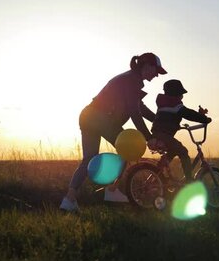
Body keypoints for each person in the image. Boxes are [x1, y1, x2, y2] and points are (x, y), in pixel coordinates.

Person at [60, 52, 167, 212]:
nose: (156, 75)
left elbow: (140, 108)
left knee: (88, 159)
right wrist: (149, 137)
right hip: (100, 118)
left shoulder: (130, 79)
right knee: (130, 148)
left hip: (87, 116)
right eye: (156, 70)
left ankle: (69, 199)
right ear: (146, 65)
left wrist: (158, 120)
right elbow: (134, 111)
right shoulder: (132, 80)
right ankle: (112, 190)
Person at [150, 79, 211, 182]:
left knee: (172, 151)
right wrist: (204, 119)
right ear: (176, 94)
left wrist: (175, 125)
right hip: (163, 135)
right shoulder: (174, 104)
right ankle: (189, 180)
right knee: (183, 151)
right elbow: (187, 113)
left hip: (159, 133)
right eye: (181, 94)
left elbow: (168, 118)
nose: (182, 96)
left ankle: (158, 175)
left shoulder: (165, 103)